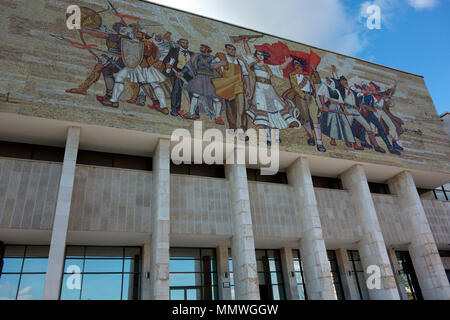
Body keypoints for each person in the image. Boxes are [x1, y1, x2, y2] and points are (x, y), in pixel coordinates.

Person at [242, 39, 299, 146]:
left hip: (269, 90)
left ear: (265, 56)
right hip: (259, 91)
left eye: (262, 55)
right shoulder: (253, 64)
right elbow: (248, 53)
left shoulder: (269, 67)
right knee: (264, 114)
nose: (260, 56)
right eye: (258, 54)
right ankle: (268, 137)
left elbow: (280, 67)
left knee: (276, 111)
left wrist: (288, 61)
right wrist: (245, 43)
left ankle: (276, 136)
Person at [65, 22, 128, 105]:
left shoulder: (118, 36)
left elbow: (101, 35)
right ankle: (110, 95)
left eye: (114, 28)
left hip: (117, 59)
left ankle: (83, 88)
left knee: (98, 68)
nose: (112, 29)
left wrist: (85, 30)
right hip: (113, 57)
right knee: (106, 72)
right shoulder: (119, 35)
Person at [282, 56, 325, 152]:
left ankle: (319, 143)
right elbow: (295, 87)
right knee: (305, 118)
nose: (297, 67)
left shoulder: (307, 75)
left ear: (301, 66)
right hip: (300, 96)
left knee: (315, 118)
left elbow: (317, 81)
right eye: (295, 65)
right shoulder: (292, 75)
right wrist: (303, 95)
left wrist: (314, 70)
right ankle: (311, 137)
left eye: (299, 65)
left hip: (311, 97)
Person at [211, 44, 251, 140]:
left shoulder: (239, 61)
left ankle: (242, 131)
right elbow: (212, 65)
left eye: (233, 49)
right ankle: (233, 128)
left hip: (238, 86)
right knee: (230, 108)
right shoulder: (222, 58)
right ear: (226, 50)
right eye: (229, 49)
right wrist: (220, 64)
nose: (232, 50)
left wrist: (248, 87)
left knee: (241, 109)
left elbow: (245, 75)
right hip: (228, 86)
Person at [182, 44, 226, 125]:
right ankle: (191, 113)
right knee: (195, 95)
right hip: (199, 78)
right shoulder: (196, 56)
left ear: (207, 49)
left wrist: (220, 64)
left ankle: (218, 117)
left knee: (216, 98)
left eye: (203, 47)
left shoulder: (214, 58)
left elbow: (219, 68)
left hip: (211, 79)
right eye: (201, 47)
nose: (201, 48)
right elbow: (189, 65)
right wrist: (182, 72)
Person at [317, 78, 358, 148]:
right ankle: (333, 139)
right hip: (331, 107)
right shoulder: (325, 87)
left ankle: (353, 142)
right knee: (334, 123)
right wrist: (323, 105)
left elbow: (341, 102)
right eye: (327, 81)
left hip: (339, 107)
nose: (328, 82)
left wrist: (345, 110)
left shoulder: (336, 91)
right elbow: (320, 95)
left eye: (329, 81)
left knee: (345, 123)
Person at [163, 39, 193, 117]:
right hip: (177, 72)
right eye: (183, 42)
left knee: (194, 89)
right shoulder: (174, 50)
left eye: (187, 42)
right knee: (177, 87)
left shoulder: (192, 54)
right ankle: (175, 110)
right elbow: (166, 60)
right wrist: (167, 64)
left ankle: (193, 112)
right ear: (179, 43)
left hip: (189, 73)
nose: (185, 44)